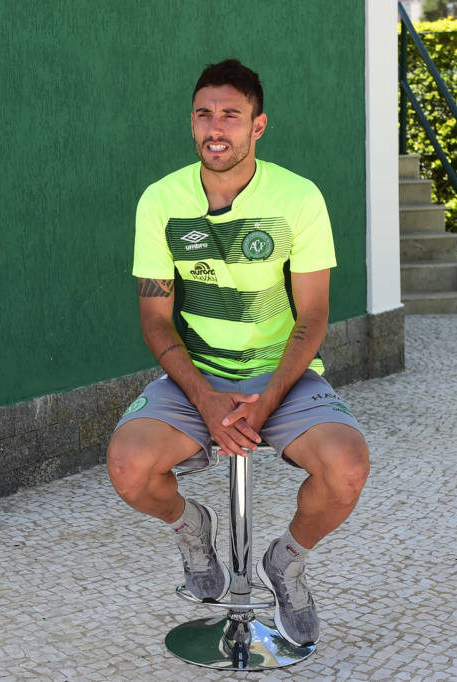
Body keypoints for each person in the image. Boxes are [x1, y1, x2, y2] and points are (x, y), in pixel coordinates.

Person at [106, 59, 369, 647]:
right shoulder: (160, 200)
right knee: (128, 467)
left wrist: (266, 400)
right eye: (204, 114)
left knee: (347, 467)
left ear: (258, 125)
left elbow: (314, 316)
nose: (215, 128)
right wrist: (205, 399)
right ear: (191, 123)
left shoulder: (298, 196)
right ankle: (191, 529)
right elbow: (155, 319)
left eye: (231, 114)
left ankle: (286, 562)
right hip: (196, 376)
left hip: (284, 376)